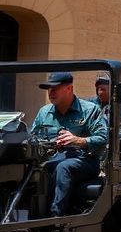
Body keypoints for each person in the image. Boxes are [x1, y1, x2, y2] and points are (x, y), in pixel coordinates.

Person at [32, 72, 107, 217]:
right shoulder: (44, 112)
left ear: (69, 88)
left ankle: (55, 219)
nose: (51, 92)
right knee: (30, 168)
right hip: (51, 159)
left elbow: (103, 137)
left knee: (63, 167)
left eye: (55, 88)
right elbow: (33, 137)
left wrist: (78, 140)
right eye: (49, 89)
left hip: (85, 160)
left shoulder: (89, 110)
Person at [90, 75, 121, 155]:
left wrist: (113, 136)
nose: (99, 92)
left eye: (103, 89)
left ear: (111, 90)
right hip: (91, 149)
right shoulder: (89, 105)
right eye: (98, 89)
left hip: (113, 153)